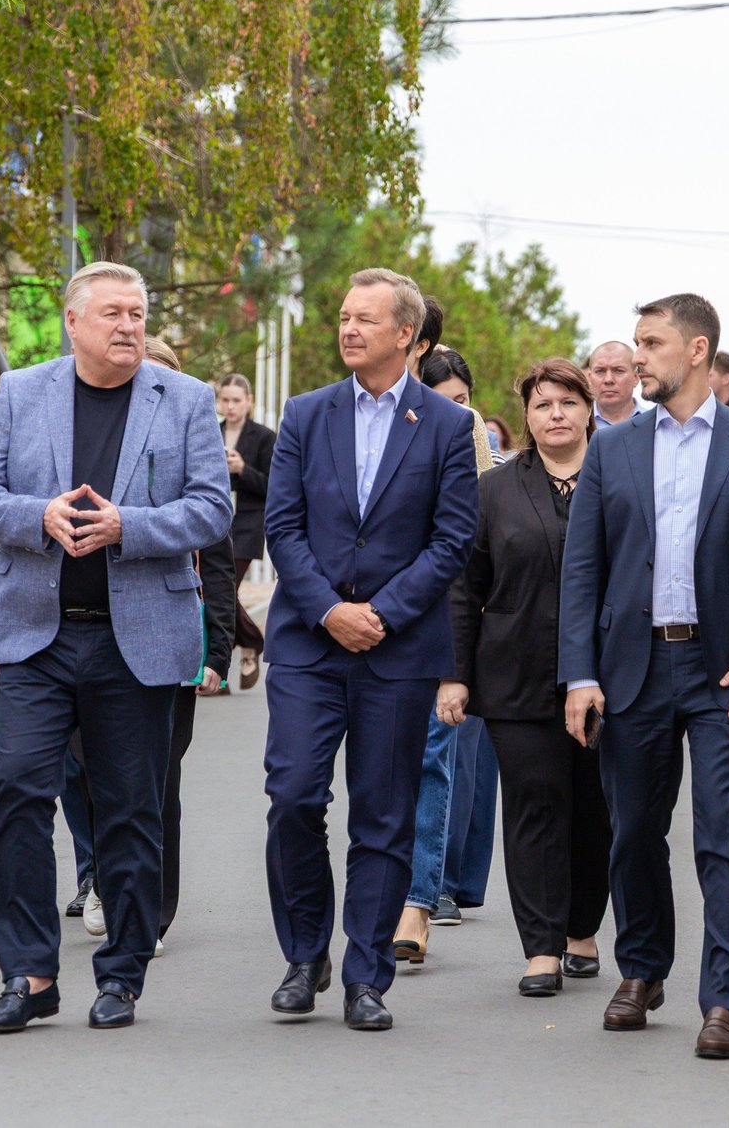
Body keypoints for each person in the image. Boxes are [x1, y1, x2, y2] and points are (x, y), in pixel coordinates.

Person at [0, 261, 232, 1033]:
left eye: (137, 314)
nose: (128, 326)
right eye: (113, 313)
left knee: (129, 810)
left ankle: (122, 975)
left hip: (136, 639)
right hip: (36, 635)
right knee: (18, 789)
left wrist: (128, 527)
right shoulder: (22, 391)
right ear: (73, 323)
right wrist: (38, 517)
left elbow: (212, 510)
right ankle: (29, 974)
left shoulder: (185, 399)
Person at [560, 293, 729, 1061]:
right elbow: (583, 570)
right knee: (634, 832)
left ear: (697, 350)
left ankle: (725, 1001)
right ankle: (642, 970)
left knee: (727, 841)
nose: (636, 357)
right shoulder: (612, 448)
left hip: (727, 671)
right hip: (631, 668)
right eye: (635, 343)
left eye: (651, 343)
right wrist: (579, 673)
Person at [260, 267, 479, 1032]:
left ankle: (365, 975)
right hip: (309, 643)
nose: (349, 329)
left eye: (366, 319)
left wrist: (380, 613)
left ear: (406, 335)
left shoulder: (448, 426)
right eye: (344, 317)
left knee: (383, 816)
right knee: (293, 796)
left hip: (398, 649)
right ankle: (303, 956)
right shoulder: (304, 414)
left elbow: (452, 539)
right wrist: (330, 611)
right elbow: (282, 526)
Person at [441, 358, 610, 996]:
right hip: (515, 673)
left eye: (568, 402)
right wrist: (455, 675)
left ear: (589, 410)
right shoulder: (494, 490)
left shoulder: (620, 478)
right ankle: (540, 947)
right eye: (543, 405)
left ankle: (581, 928)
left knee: (596, 810)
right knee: (534, 806)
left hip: (608, 675)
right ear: (527, 418)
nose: (556, 414)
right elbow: (465, 588)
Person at [390, 345, 493, 961]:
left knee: (436, 757)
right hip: (373, 620)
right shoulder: (371, 422)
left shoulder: (468, 431)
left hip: (443, 613)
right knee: (383, 767)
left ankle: (421, 900)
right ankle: (388, 888)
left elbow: (473, 533)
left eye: (463, 398)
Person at [146, 338, 237, 954]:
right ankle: (106, 877)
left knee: (160, 780)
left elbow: (220, 567)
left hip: (177, 639)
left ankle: (152, 907)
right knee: (97, 777)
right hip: (96, 638)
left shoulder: (196, 458)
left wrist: (217, 655)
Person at [218, 372, 274, 690]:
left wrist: (243, 469)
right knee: (214, 592)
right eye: (225, 400)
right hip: (215, 524)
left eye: (236, 400)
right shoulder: (211, 432)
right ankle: (226, 664)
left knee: (224, 590)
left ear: (248, 402)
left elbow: (274, 485)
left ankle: (250, 642)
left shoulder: (264, 437)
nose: (230, 406)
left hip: (248, 524)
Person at [584, 341, 640, 428]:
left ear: (636, 377)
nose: (608, 380)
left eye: (618, 371)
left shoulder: (655, 423)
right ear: (590, 378)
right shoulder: (577, 424)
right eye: (600, 371)